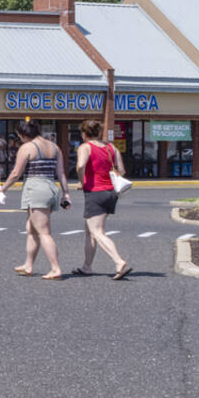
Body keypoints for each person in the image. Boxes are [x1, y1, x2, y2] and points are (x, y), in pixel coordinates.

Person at [0, 119, 71, 279]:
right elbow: (61, 173)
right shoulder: (54, 146)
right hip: (51, 187)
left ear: (24, 135)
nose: (20, 139)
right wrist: (66, 193)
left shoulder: (27, 147)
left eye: (19, 136)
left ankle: (55, 268)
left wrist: (2, 189)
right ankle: (28, 265)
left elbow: (16, 173)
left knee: (44, 232)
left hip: (36, 188)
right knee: (31, 229)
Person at [74, 119, 132, 280]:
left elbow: (80, 166)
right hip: (111, 192)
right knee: (90, 231)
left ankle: (118, 261)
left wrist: (82, 181)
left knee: (97, 231)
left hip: (95, 192)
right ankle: (87, 266)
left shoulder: (85, 147)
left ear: (84, 134)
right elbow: (122, 170)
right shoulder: (111, 147)